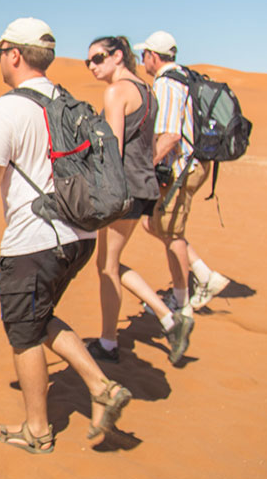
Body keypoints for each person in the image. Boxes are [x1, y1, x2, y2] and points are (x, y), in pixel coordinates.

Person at [0, 17, 131, 454]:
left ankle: (37, 431)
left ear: (14, 54)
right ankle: (101, 386)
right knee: (38, 315)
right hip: (79, 236)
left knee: (24, 332)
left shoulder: (6, 108)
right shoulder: (69, 102)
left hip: (35, 241)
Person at [82, 36, 194, 365]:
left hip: (123, 188)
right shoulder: (147, 90)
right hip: (143, 185)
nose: (92, 66)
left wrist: (97, 189)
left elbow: (112, 150)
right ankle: (136, 329)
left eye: (98, 58)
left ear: (118, 56)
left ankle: (119, 338)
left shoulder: (117, 91)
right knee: (109, 264)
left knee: (107, 266)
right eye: (88, 61)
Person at [136, 31, 231, 326]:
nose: (142, 61)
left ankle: (181, 301)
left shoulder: (166, 83)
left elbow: (171, 135)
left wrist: (145, 166)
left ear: (153, 56)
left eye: (144, 55)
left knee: (171, 234)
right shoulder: (184, 77)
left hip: (180, 169)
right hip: (194, 165)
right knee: (155, 224)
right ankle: (204, 276)